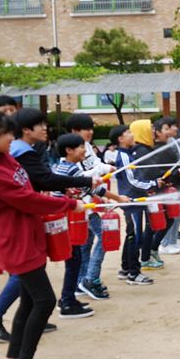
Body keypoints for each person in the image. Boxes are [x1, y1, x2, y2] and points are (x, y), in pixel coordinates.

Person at [0, 105, 83, 359]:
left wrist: (62, 192)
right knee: (44, 301)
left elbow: (29, 188)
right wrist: (69, 205)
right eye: (8, 137)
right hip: (16, 242)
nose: (12, 143)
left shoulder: (3, 156)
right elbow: (25, 199)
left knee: (30, 302)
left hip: (30, 235)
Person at [0, 108, 98, 342]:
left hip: (29, 220)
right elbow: (39, 184)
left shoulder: (18, 153)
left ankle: (25, 326)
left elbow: (37, 183)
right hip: (20, 225)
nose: (45, 129)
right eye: (39, 125)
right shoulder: (16, 155)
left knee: (30, 279)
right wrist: (71, 199)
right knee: (27, 278)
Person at [52, 133, 129, 318]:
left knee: (75, 256)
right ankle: (68, 301)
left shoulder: (60, 166)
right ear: (69, 151)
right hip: (68, 219)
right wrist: (118, 198)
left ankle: (68, 297)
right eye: (80, 148)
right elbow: (92, 187)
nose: (84, 151)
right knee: (74, 259)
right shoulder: (70, 170)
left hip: (66, 219)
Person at [66, 113, 115, 300]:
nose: (90, 132)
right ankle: (90, 278)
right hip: (84, 204)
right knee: (103, 235)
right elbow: (84, 177)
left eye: (91, 128)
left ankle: (81, 280)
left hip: (91, 201)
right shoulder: (73, 151)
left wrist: (105, 169)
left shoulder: (86, 147)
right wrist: (108, 193)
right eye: (86, 129)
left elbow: (96, 166)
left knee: (86, 241)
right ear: (74, 131)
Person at [110, 124, 163, 285]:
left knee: (131, 234)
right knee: (136, 236)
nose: (132, 135)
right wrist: (153, 183)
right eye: (128, 133)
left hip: (135, 200)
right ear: (120, 139)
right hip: (131, 202)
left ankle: (126, 268)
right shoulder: (123, 156)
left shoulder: (128, 154)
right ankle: (134, 273)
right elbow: (132, 181)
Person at [145, 118, 180, 256]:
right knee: (169, 216)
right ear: (157, 132)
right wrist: (177, 172)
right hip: (168, 187)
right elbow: (160, 171)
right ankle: (164, 243)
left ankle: (172, 241)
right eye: (166, 128)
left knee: (178, 213)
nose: (170, 131)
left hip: (175, 184)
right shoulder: (157, 150)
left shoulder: (168, 145)